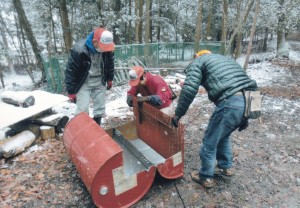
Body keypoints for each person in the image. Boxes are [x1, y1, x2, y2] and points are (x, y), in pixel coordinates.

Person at [171, 50, 258, 188]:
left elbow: (189, 90)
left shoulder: (198, 61)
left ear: (197, 56)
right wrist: (246, 116)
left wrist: (178, 114)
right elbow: (241, 83)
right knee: (223, 136)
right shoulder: (225, 60)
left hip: (230, 101)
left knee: (209, 141)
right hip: (250, 99)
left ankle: (205, 176)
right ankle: (225, 167)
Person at [64, 27, 115, 125]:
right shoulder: (79, 50)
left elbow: (110, 63)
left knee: (100, 106)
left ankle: (97, 125)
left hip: (100, 79)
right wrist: (71, 91)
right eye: (102, 47)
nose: (105, 50)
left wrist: (109, 78)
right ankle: (82, 127)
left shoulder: (108, 48)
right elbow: (71, 71)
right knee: (82, 108)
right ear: (95, 42)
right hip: (83, 81)